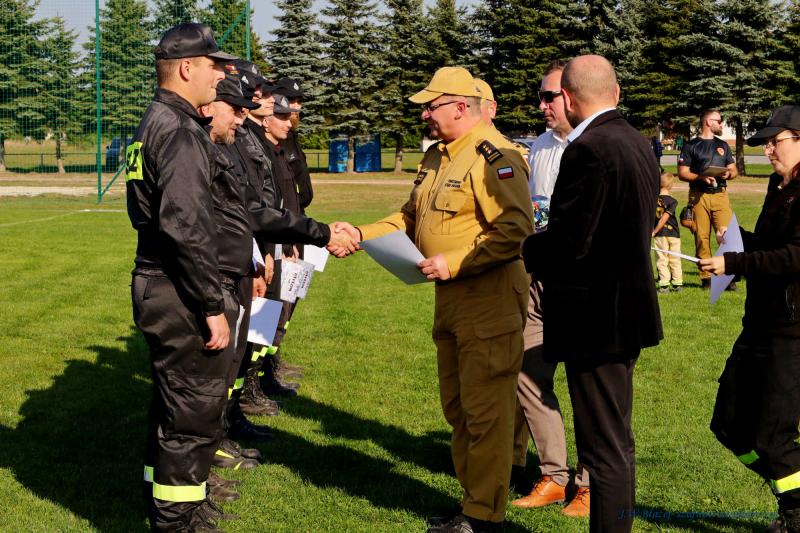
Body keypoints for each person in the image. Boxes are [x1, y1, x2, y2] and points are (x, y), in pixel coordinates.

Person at [340, 66, 534, 533]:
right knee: (459, 409)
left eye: (432, 106)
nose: (425, 114)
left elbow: (515, 229)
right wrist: (361, 234)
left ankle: (484, 517)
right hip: (451, 300)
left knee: (486, 413)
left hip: (487, 298)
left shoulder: (494, 156)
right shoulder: (438, 156)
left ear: (460, 107)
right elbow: (411, 218)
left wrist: (455, 261)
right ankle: (473, 504)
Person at [522, 55, 663, 533]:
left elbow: (570, 241)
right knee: (615, 442)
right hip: (625, 310)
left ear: (568, 97)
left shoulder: (588, 148)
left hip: (597, 317)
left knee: (603, 448)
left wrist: (525, 247)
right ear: (616, 92)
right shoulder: (636, 140)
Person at [126, 23, 248, 532]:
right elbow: (185, 225)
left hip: (157, 279)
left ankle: (172, 507)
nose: (221, 75)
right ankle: (178, 522)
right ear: (186, 67)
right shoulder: (178, 129)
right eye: (214, 65)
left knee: (172, 406)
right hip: (178, 287)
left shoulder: (154, 120)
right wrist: (210, 304)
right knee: (192, 416)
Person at [699, 105, 800, 533]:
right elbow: (773, 249)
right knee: (729, 426)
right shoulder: (780, 185)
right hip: (758, 324)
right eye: (766, 144)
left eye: (776, 142)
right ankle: (794, 501)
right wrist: (739, 242)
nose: (768, 151)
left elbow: (794, 257)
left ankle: (795, 512)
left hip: (791, 333)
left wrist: (736, 261)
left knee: (772, 437)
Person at [509, 59, 590, 518]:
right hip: (537, 282)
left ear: (572, 96)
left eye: (549, 96)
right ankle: (555, 476)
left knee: (586, 385)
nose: (542, 104)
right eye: (540, 96)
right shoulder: (538, 147)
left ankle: (590, 483)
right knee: (528, 372)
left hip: (580, 286)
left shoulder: (594, 145)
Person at [677, 109, 738, 289]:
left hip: (720, 195)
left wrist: (728, 174)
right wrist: (700, 177)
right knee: (701, 237)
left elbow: (734, 170)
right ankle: (707, 278)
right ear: (708, 122)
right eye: (718, 120)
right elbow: (682, 172)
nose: (721, 123)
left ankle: (728, 275)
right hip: (698, 195)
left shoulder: (723, 145)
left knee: (727, 235)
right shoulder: (691, 145)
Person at [652, 171, 683, 293]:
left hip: (660, 235)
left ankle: (664, 285)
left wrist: (654, 231)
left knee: (662, 260)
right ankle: (677, 284)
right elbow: (665, 218)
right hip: (674, 234)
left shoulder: (653, 200)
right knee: (675, 259)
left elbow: (660, 219)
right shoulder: (673, 201)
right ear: (671, 186)